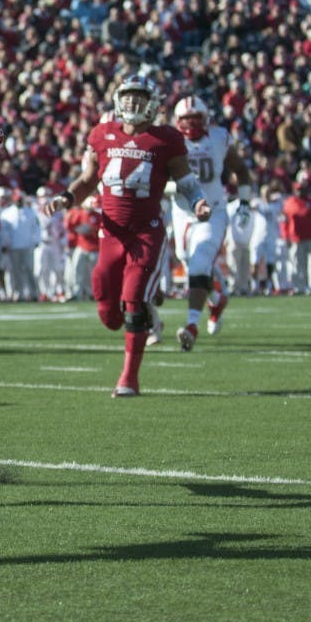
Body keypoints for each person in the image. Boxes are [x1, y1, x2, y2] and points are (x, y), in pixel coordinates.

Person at [46, 75, 211, 397]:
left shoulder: (165, 139)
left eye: (140, 98)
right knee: (108, 311)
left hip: (146, 233)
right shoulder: (103, 134)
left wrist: (199, 200)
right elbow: (89, 178)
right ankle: (149, 294)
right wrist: (66, 198)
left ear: (152, 103)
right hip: (111, 232)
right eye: (129, 97)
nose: (133, 104)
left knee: (133, 302)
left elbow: (186, 180)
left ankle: (128, 379)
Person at [167, 96, 253, 350]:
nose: (191, 125)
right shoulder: (170, 141)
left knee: (200, 263)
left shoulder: (218, 138)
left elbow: (242, 170)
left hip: (212, 211)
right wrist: (172, 187)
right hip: (182, 213)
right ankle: (216, 299)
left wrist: (245, 203)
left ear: (206, 120)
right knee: (187, 259)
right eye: (186, 120)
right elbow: (159, 179)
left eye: (196, 119)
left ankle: (192, 325)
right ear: (177, 122)